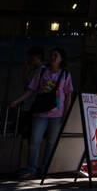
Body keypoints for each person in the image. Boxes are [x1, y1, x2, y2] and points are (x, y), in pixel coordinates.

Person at [11, 47, 73, 179]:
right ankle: (31, 169)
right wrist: (17, 101)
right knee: (35, 140)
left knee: (51, 142)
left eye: (56, 55)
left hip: (57, 115)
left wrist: (66, 115)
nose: (52, 57)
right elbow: (31, 90)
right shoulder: (42, 71)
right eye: (51, 55)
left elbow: (68, 96)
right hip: (40, 113)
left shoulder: (65, 75)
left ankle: (45, 169)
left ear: (62, 59)